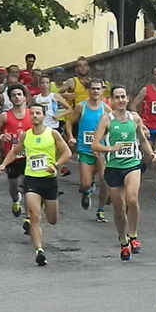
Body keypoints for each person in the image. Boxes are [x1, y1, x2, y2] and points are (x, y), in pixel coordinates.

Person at [0, 103, 72, 266]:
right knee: (34, 216)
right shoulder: (26, 135)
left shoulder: (52, 134)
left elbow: (67, 152)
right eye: (32, 113)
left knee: (52, 219)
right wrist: (4, 164)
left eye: (38, 113)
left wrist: (56, 165)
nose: (35, 116)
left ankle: (45, 206)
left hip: (49, 180)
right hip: (31, 179)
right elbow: (15, 151)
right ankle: (39, 250)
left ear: (44, 116)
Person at [92, 85, 156, 261]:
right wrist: (110, 148)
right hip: (113, 168)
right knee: (119, 209)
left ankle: (134, 236)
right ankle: (123, 240)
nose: (121, 100)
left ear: (128, 99)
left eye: (123, 97)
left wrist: (150, 153)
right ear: (112, 101)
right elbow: (95, 145)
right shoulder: (107, 120)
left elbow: (142, 139)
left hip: (132, 164)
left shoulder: (134, 118)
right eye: (117, 97)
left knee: (132, 199)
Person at [65, 78, 111, 222]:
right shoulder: (81, 107)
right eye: (93, 88)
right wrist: (71, 137)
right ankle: (87, 191)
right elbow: (68, 123)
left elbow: (113, 128)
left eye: (98, 88)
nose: (96, 91)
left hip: (101, 151)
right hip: (85, 150)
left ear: (103, 90)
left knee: (105, 180)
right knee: (84, 184)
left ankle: (101, 210)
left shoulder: (106, 109)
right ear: (88, 90)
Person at [130, 65, 156, 201]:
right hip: (147, 128)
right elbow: (133, 105)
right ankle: (140, 168)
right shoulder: (146, 90)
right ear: (153, 76)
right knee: (148, 157)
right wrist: (140, 123)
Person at [0, 83, 32, 225]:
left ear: (25, 98)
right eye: (14, 95)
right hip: (12, 157)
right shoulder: (5, 116)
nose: (17, 97)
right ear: (10, 99)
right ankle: (15, 199)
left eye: (19, 94)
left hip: (29, 156)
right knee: (14, 186)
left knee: (29, 187)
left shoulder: (32, 114)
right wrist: (1, 137)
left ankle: (28, 218)